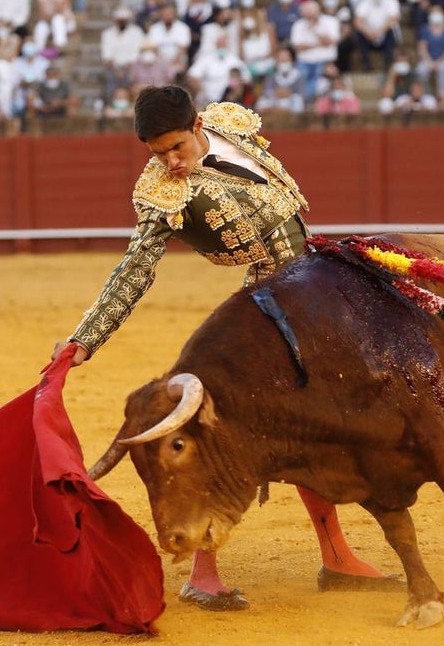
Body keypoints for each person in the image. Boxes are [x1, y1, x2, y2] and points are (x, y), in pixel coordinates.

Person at [51, 85, 399, 611]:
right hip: (265, 310)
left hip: (319, 287)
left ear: (196, 126)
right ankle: (204, 571)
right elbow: (134, 270)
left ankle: (337, 557)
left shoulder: (231, 127)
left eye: (175, 147)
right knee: (234, 432)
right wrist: (85, 339)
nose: (169, 162)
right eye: (157, 153)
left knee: (321, 422)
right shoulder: (163, 196)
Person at [289, 0, 340, 100]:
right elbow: (298, 47)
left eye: (311, 15)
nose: (309, 18)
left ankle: (306, 99)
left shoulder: (331, 21)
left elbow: (329, 42)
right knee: (298, 80)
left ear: (318, 11)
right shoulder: (298, 25)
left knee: (318, 83)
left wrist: (314, 30)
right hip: (303, 61)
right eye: (307, 15)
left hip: (325, 61)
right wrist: (318, 44)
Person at [352, 0, 401, 71]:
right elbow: (357, 21)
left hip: (385, 34)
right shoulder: (364, 1)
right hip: (369, 36)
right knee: (359, 34)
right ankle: (366, 64)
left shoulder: (391, 0)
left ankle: (388, 63)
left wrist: (379, 32)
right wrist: (368, 32)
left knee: (390, 31)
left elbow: (393, 19)